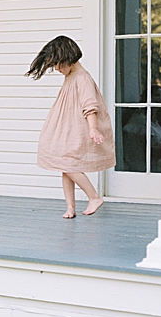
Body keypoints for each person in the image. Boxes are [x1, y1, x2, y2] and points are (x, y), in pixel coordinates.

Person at [26, 35, 115, 218]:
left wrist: (93, 128)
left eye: (58, 64)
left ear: (68, 59)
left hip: (77, 130)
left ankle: (94, 197)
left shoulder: (82, 78)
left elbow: (90, 106)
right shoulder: (71, 77)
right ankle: (70, 207)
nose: (57, 69)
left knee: (68, 164)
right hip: (68, 130)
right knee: (65, 166)